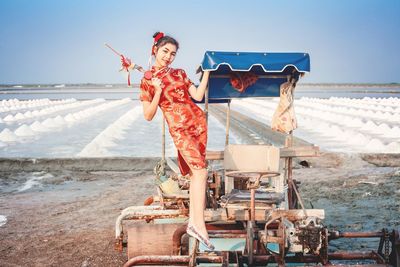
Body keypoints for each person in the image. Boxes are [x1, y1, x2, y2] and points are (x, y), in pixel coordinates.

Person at [138, 32, 214, 250]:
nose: (168, 57)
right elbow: (148, 115)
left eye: (172, 53)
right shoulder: (147, 80)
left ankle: (194, 222)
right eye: (165, 51)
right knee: (200, 172)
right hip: (179, 128)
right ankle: (197, 225)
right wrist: (158, 91)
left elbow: (198, 96)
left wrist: (207, 72)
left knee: (196, 173)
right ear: (155, 50)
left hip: (197, 125)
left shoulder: (180, 73)